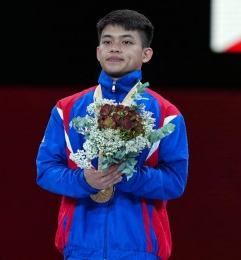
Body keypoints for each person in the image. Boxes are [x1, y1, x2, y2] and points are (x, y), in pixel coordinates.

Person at [36, 9, 189, 260]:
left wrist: (125, 175)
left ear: (146, 54)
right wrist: (85, 182)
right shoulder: (66, 109)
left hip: (140, 249)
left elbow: (174, 182)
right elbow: (46, 171)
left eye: (126, 42)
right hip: (80, 248)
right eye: (107, 41)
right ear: (98, 52)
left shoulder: (166, 114)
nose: (115, 48)